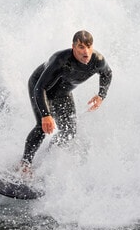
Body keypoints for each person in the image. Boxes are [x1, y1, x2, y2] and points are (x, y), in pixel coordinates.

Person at [20, 30, 113, 175]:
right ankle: (24, 165)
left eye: (89, 47)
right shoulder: (61, 60)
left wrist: (101, 95)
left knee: (69, 131)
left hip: (63, 94)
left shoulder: (98, 60)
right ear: (73, 47)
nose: (86, 52)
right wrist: (46, 115)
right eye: (81, 47)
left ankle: (46, 158)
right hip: (41, 89)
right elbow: (40, 87)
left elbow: (107, 73)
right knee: (42, 127)